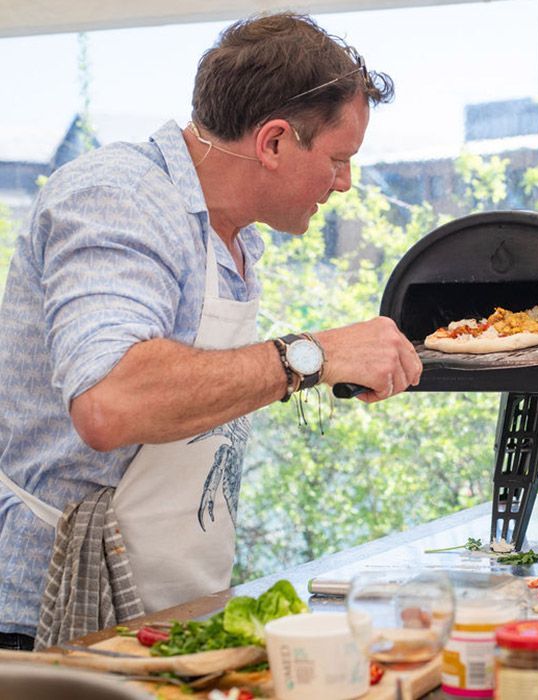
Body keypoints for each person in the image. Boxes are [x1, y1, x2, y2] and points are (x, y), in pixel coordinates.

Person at [0, 12, 422, 650]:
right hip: (50, 615)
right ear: (274, 142)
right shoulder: (118, 197)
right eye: (338, 159)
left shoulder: (237, 235)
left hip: (167, 600)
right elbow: (110, 402)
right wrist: (316, 354)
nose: (346, 182)